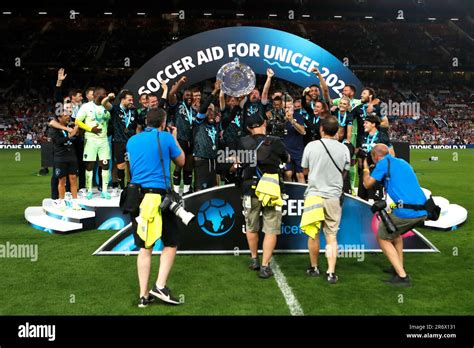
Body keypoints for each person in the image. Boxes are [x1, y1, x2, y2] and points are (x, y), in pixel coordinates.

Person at [125, 108, 185, 307]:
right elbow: (181, 162)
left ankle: (143, 296)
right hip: (160, 198)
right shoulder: (166, 137)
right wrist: (174, 138)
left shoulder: (132, 141)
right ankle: (160, 286)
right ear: (163, 122)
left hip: (138, 198)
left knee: (145, 247)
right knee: (171, 242)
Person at [362, 144, 428, 287]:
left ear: (375, 156)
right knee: (395, 234)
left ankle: (403, 277)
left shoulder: (383, 163)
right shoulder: (401, 162)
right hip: (422, 210)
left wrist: (366, 168)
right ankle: (398, 266)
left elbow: (367, 184)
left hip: (408, 212)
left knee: (382, 236)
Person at [237, 113, 289, 279]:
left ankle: (254, 259)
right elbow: (285, 158)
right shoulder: (275, 141)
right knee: (271, 227)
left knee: (251, 225)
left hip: (250, 188)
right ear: (264, 123)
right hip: (271, 189)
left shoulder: (243, 142)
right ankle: (265, 266)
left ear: (248, 128)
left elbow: (238, 162)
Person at [301, 116, 350, 284]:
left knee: (313, 233)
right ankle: (331, 272)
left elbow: (305, 170)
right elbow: (345, 171)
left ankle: (314, 267)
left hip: (314, 194)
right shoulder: (344, 149)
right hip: (333, 196)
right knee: (331, 235)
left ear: (321, 129)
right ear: (337, 131)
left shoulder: (311, 146)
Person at [102, 89, 144, 193]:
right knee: (120, 165)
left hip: (131, 142)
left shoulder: (134, 111)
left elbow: (138, 127)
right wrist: (108, 97)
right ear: (122, 100)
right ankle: (121, 189)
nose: (131, 102)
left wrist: (138, 140)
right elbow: (104, 103)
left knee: (131, 164)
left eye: (132, 100)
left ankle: (130, 186)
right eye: (129, 100)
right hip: (119, 141)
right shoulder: (115, 109)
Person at [75, 87, 112, 199]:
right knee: (89, 166)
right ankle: (89, 190)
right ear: (96, 95)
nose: (105, 95)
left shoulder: (106, 106)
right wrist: (91, 129)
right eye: (103, 94)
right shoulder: (86, 106)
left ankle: (104, 191)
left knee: (105, 164)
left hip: (103, 140)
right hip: (90, 140)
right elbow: (77, 121)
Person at [48, 103, 80, 210]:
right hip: (60, 157)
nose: (68, 117)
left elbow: (75, 136)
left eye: (68, 116)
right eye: (65, 116)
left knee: (73, 178)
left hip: (71, 156)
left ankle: (75, 202)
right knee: (62, 180)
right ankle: (61, 201)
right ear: (59, 118)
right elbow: (59, 141)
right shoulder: (54, 129)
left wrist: (75, 133)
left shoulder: (69, 126)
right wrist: (71, 135)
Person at [192, 81, 222, 191]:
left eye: (212, 110)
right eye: (208, 110)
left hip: (213, 161)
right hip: (202, 160)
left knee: (213, 191)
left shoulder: (216, 125)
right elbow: (204, 107)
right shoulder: (199, 122)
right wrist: (215, 91)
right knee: (201, 191)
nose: (210, 112)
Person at [168, 76, 195, 195]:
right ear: (183, 96)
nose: (189, 97)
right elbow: (171, 94)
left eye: (191, 96)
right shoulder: (177, 106)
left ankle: (187, 191)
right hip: (180, 140)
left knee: (188, 167)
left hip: (191, 141)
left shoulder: (194, 111)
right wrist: (179, 83)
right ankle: (175, 191)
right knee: (179, 166)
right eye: (187, 95)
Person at [357, 115, 393, 201]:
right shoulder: (362, 137)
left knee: (374, 199)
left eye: (366, 123)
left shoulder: (382, 136)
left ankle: (377, 214)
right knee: (362, 198)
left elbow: (391, 154)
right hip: (364, 171)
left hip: (377, 172)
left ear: (373, 124)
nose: (364, 125)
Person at [281, 95, 306, 183]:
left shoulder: (298, 116)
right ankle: (289, 194)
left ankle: (303, 195)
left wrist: (292, 121)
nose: (288, 109)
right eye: (286, 107)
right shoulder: (279, 117)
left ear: (293, 106)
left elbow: (303, 132)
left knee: (300, 174)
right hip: (285, 150)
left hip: (298, 150)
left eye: (290, 107)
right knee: (288, 173)